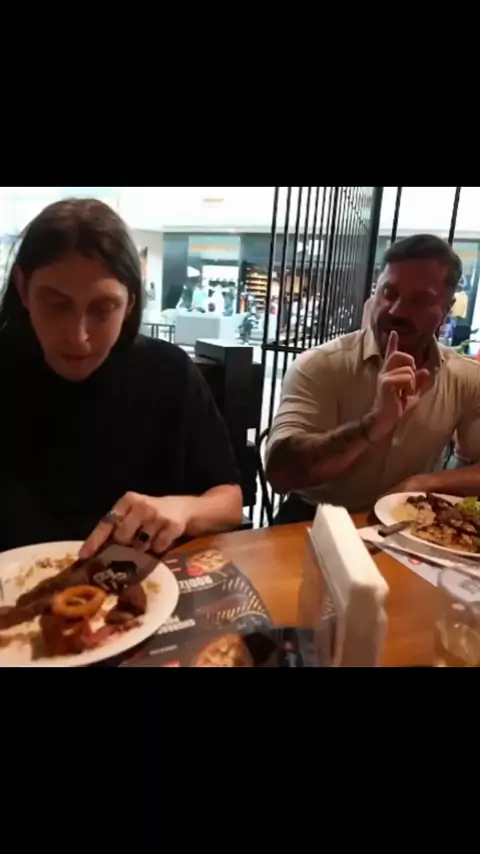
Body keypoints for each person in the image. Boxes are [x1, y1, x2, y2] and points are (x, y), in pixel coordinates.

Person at [0, 198, 243, 554]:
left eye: (103, 308)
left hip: (145, 582)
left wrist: (183, 509)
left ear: (129, 302)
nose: (79, 337)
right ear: (23, 289)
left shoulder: (169, 373)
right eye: (56, 305)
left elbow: (230, 502)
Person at [266, 234, 480, 522]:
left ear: (446, 308)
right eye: (389, 293)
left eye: (420, 300)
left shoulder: (465, 378)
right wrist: (373, 424)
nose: (397, 310)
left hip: (404, 522)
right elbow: (280, 475)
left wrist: (422, 483)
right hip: (314, 519)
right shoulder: (320, 365)